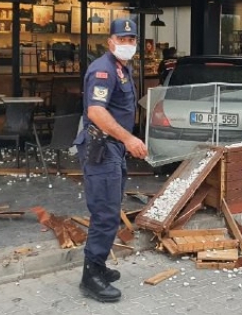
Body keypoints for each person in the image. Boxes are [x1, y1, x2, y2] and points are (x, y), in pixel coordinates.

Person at [73, 18, 148, 303]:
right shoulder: (103, 70)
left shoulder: (122, 68)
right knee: (104, 211)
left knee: (110, 207)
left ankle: (99, 265)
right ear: (110, 42)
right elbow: (96, 112)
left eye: (132, 40)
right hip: (101, 148)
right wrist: (129, 139)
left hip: (113, 148)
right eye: (123, 39)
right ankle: (90, 276)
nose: (128, 44)